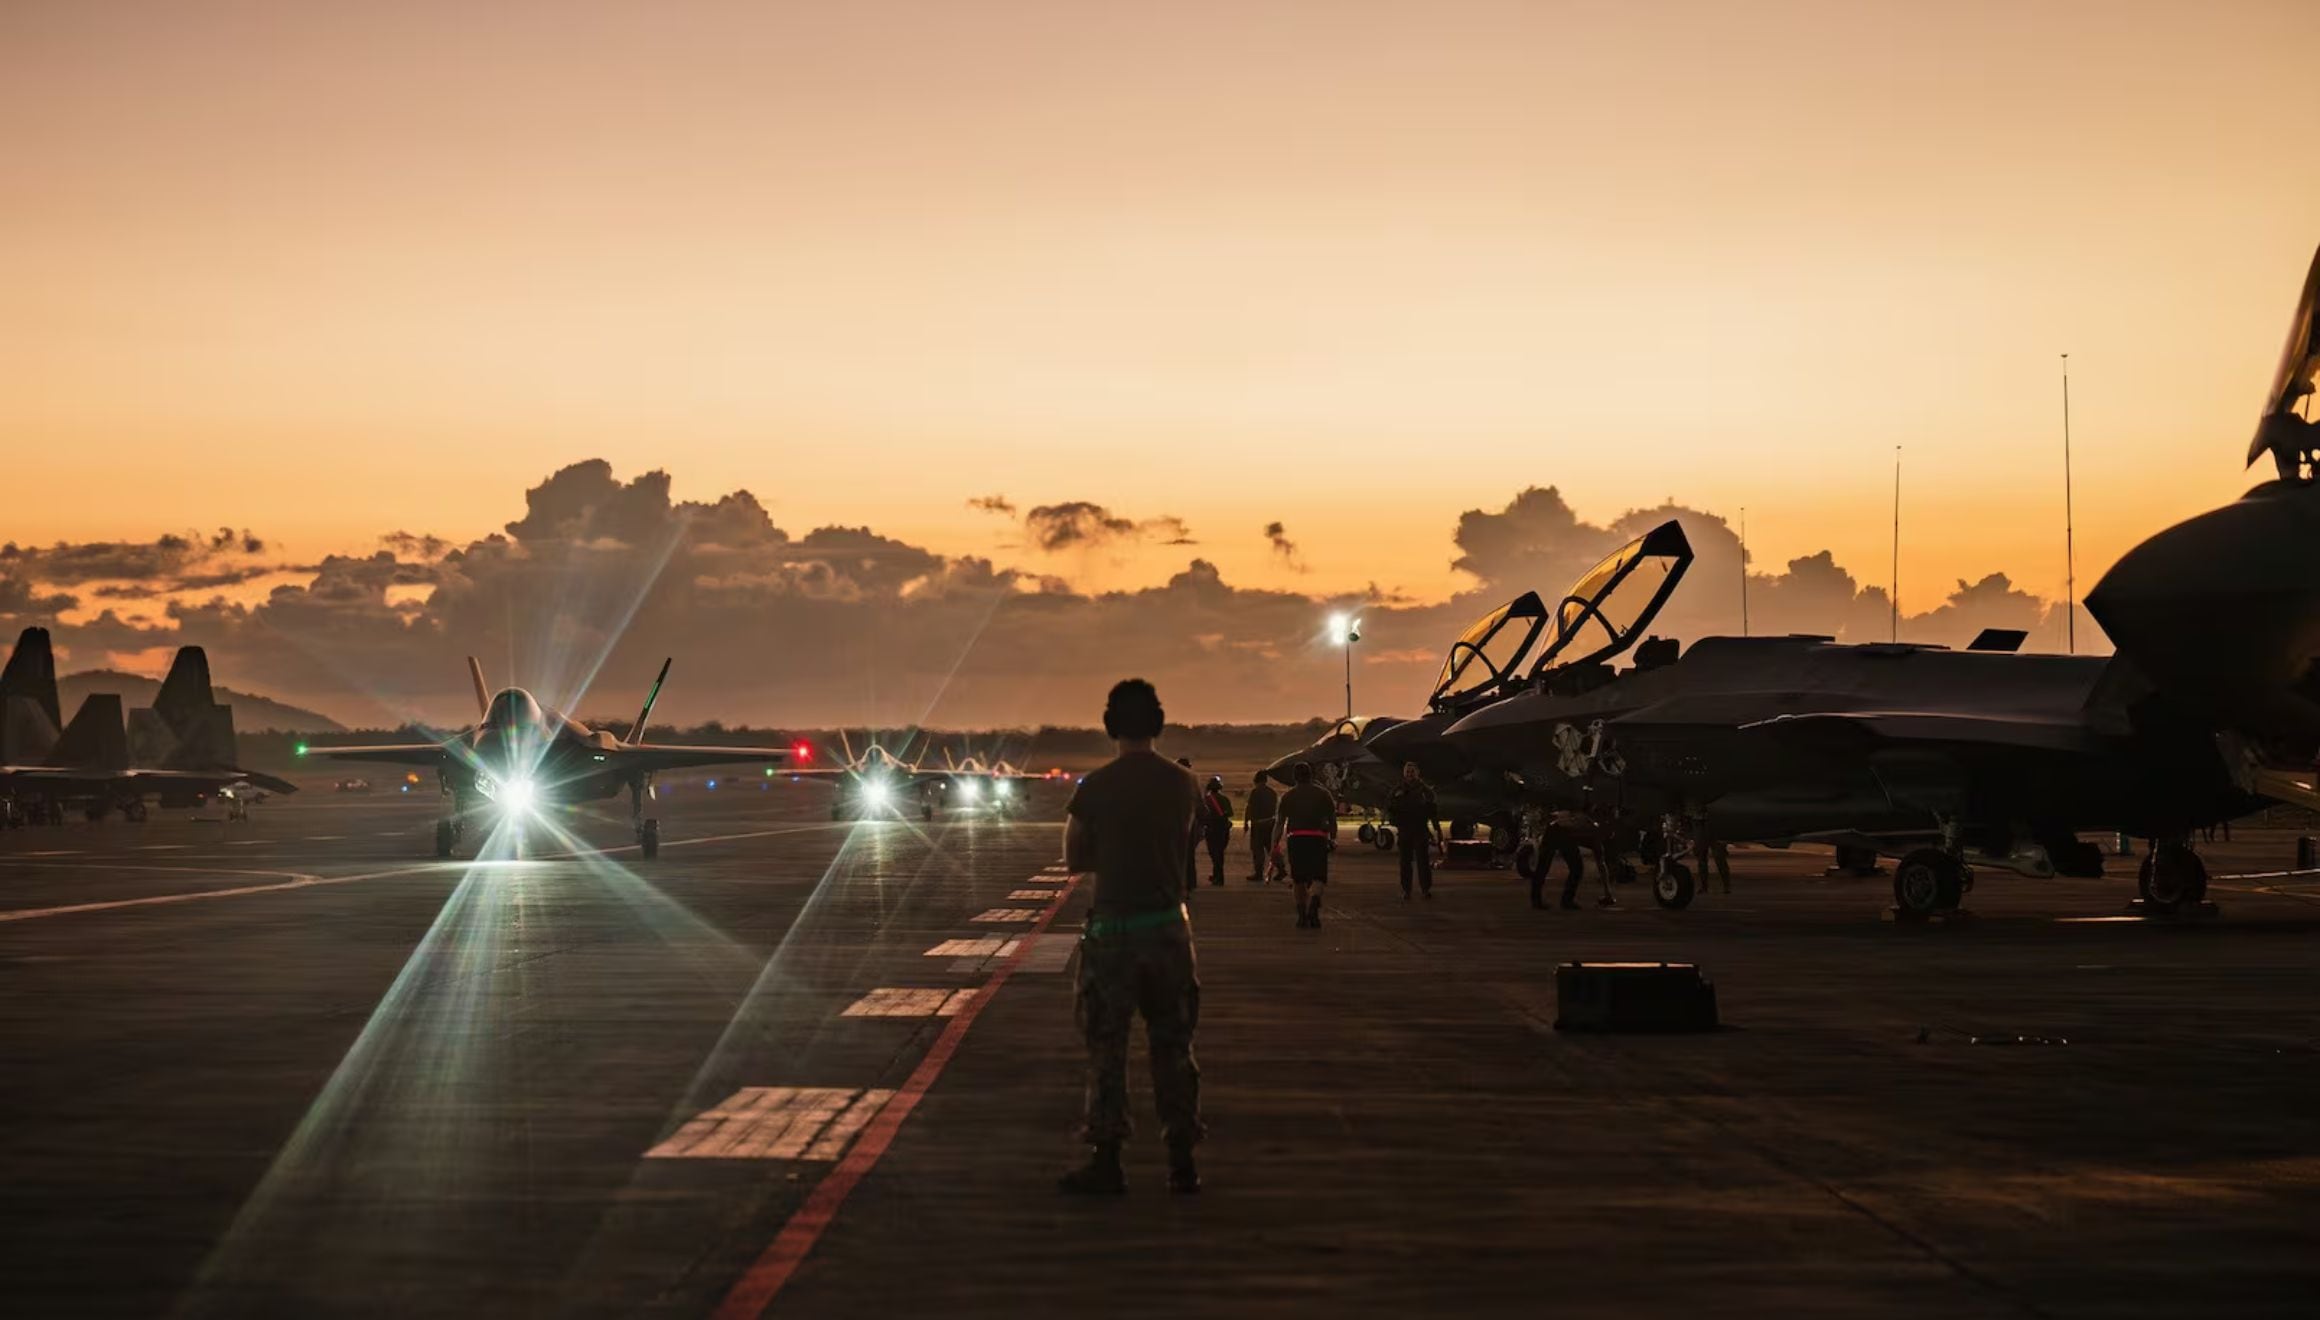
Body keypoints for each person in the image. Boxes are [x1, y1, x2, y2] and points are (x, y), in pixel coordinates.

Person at [1059, 679, 1205, 1196]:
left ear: (1110, 726)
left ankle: (1108, 1158)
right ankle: (1182, 1158)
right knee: (1174, 1045)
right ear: (1158, 724)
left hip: (1115, 930)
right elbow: (1189, 838)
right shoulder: (1184, 784)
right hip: (1169, 928)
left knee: (1107, 1047)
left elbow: (1074, 856)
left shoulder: (1095, 787)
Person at [1276, 761, 1338, 928]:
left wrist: (1274, 844)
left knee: (1298, 879)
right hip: (1318, 838)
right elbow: (1332, 820)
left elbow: (1279, 823)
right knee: (1319, 877)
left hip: (1296, 839)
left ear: (1294, 777)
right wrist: (1333, 839)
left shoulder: (1288, 796)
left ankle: (1302, 915)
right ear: (1311, 775)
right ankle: (1314, 907)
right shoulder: (1324, 794)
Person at [1384, 762, 1439, 900]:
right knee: (1405, 863)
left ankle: (1425, 889)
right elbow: (1389, 806)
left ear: (1417, 773)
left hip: (1420, 829)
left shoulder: (1425, 791)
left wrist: (1436, 829)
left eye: (1412, 772)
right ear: (1404, 773)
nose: (1410, 774)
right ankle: (1406, 890)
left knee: (1423, 862)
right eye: (1407, 772)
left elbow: (1433, 810)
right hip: (1405, 830)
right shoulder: (1397, 789)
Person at [1243, 771, 1279, 882]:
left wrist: (1246, 822)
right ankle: (1281, 867)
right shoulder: (1272, 792)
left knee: (1257, 849)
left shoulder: (1255, 792)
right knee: (1270, 847)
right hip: (1270, 823)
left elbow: (1249, 808)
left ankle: (1259, 873)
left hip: (1258, 824)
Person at [1199, 775, 1233, 887]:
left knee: (1214, 853)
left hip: (1211, 830)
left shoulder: (1206, 800)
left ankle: (1218, 877)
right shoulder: (1225, 799)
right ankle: (1217, 875)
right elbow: (1230, 813)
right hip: (1223, 830)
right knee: (1220, 853)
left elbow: (1201, 814)